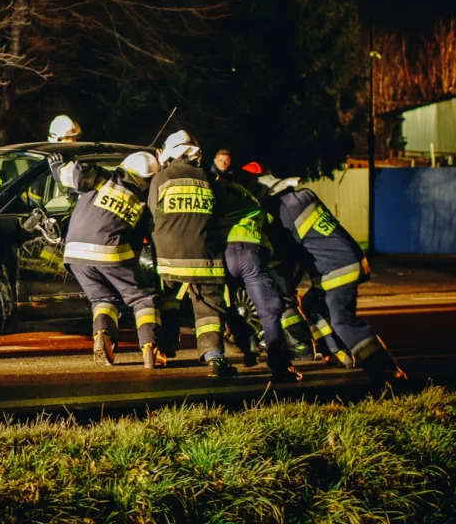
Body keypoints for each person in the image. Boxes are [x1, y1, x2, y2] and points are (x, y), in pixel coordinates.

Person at [247, 164, 407, 382]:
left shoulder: (283, 213)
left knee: (343, 320)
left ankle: (385, 369)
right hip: (350, 259)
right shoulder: (304, 196)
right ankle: (336, 352)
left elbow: (289, 254)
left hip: (336, 268)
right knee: (312, 303)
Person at [51, 150, 173, 368]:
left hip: (75, 253)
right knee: (143, 298)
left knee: (103, 299)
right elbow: (137, 243)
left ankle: (102, 336)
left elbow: (76, 174)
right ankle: (150, 349)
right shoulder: (143, 202)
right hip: (110, 252)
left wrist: (57, 167)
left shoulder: (102, 177)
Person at [148, 130, 239, 378]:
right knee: (209, 306)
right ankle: (214, 358)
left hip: (168, 257)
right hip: (203, 256)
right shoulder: (208, 178)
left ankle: (165, 349)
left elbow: (153, 214)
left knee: (167, 298)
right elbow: (219, 215)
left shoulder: (161, 178)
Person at [212, 161, 302, 382]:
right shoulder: (250, 197)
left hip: (224, 254)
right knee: (269, 311)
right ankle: (279, 366)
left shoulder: (215, 191)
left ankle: (247, 347)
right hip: (252, 252)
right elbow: (271, 225)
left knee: (227, 307)